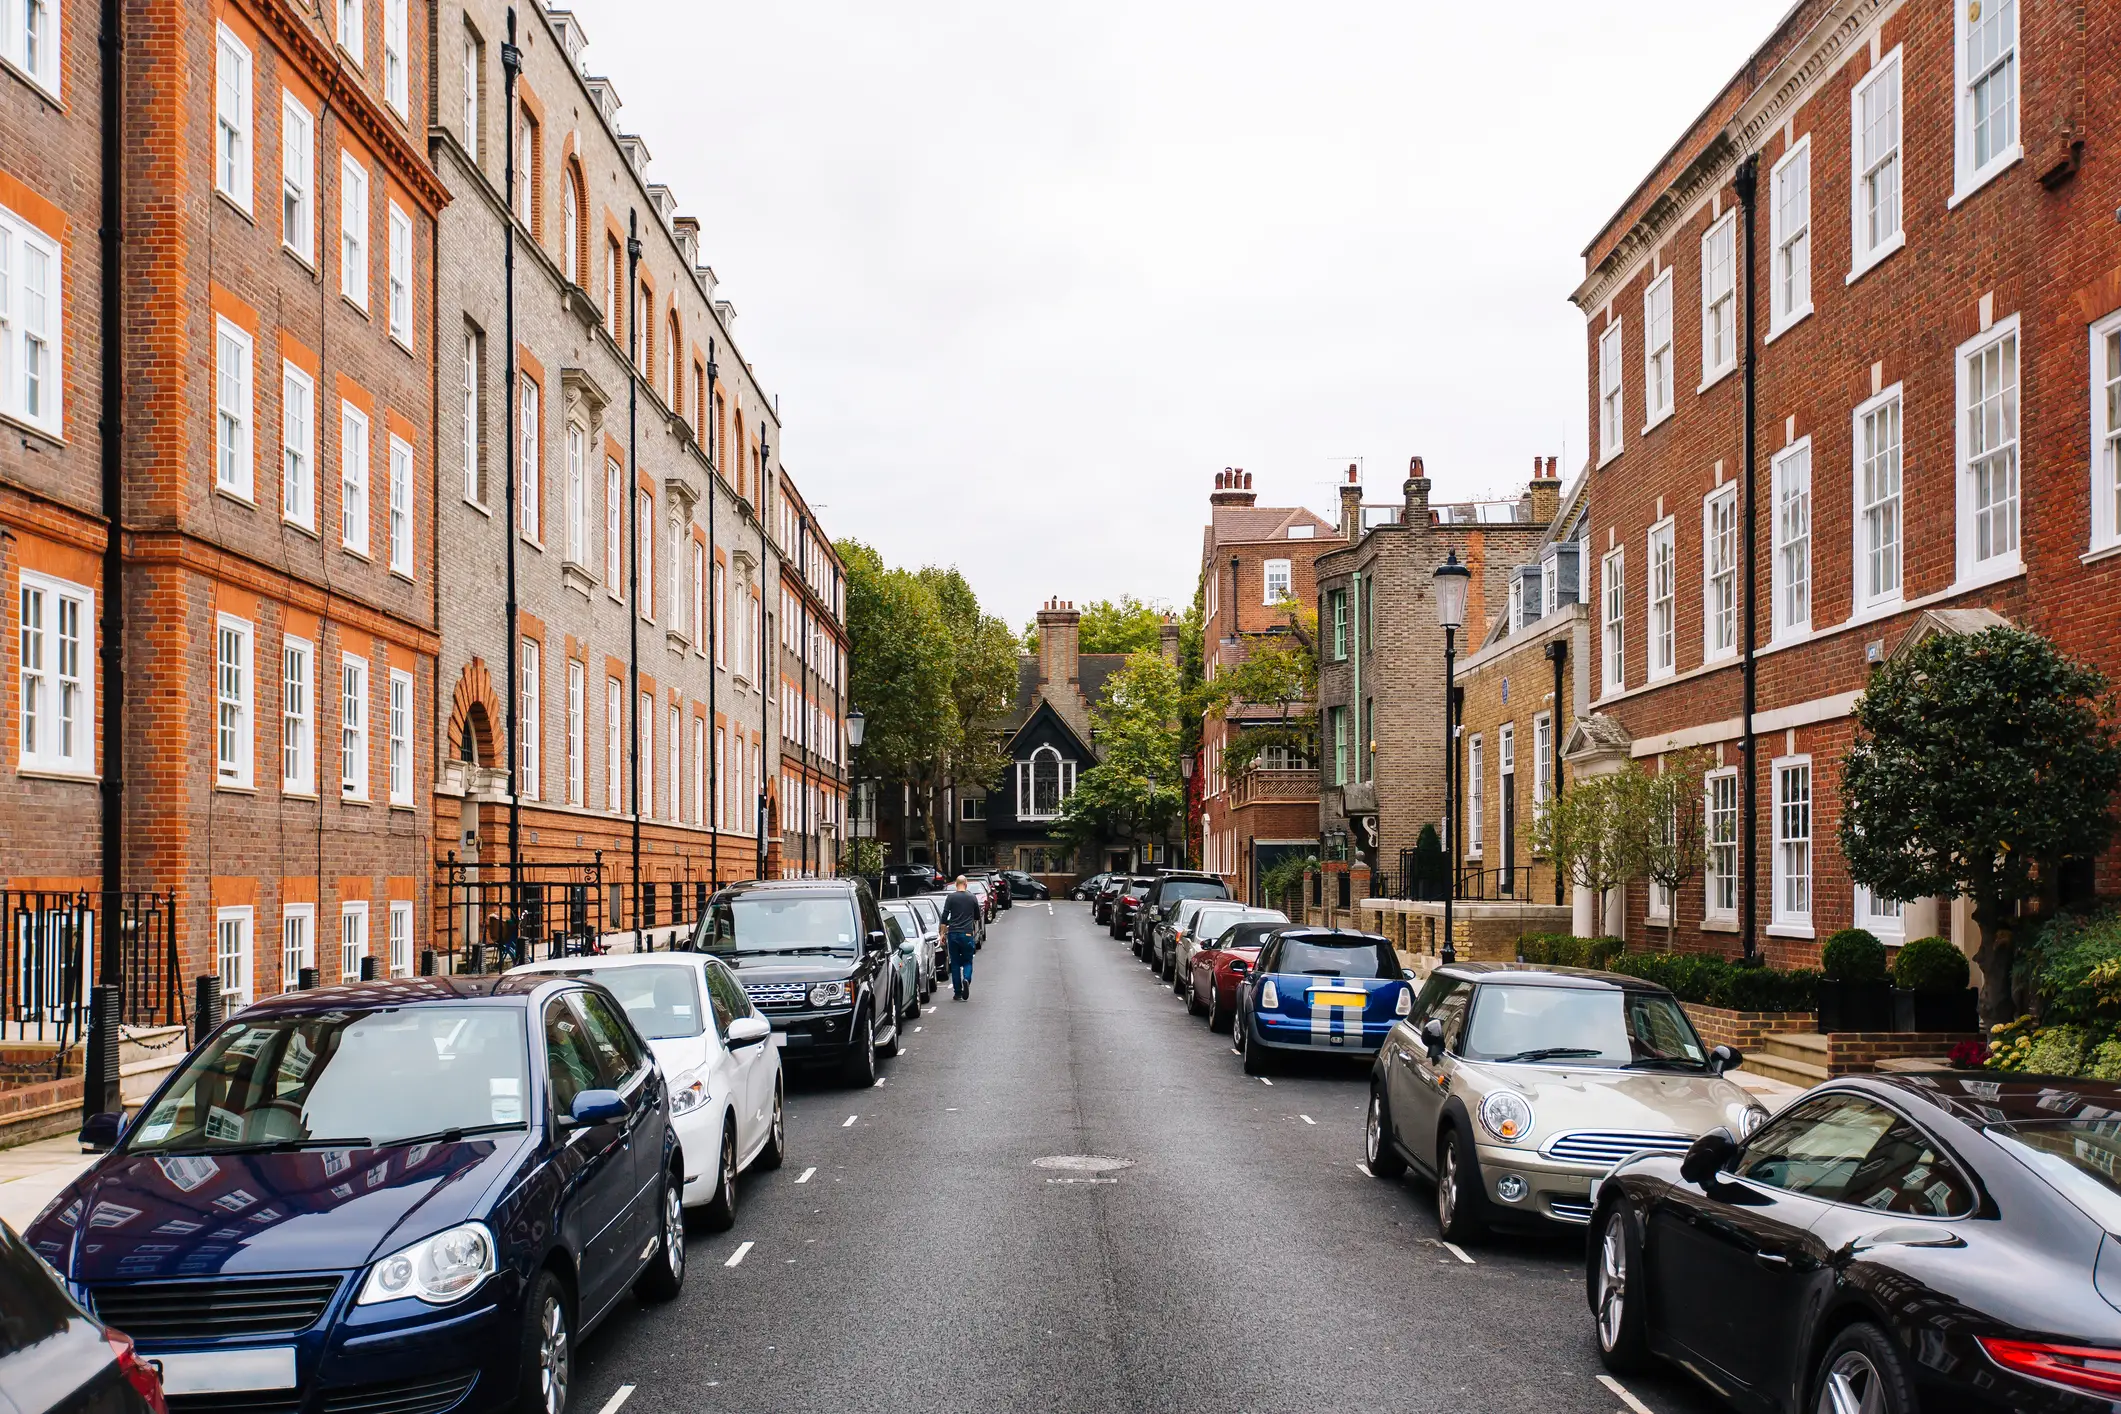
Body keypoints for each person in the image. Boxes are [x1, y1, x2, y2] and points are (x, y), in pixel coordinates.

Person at [939, 875, 981, 1001]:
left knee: (955, 963)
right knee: (967, 960)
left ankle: (957, 992)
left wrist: (942, 934)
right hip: (967, 933)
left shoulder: (950, 898)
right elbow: (977, 916)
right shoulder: (972, 897)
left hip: (953, 934)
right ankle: (966, 979)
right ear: (966, 884)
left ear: (956, 884)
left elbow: (944, 917)